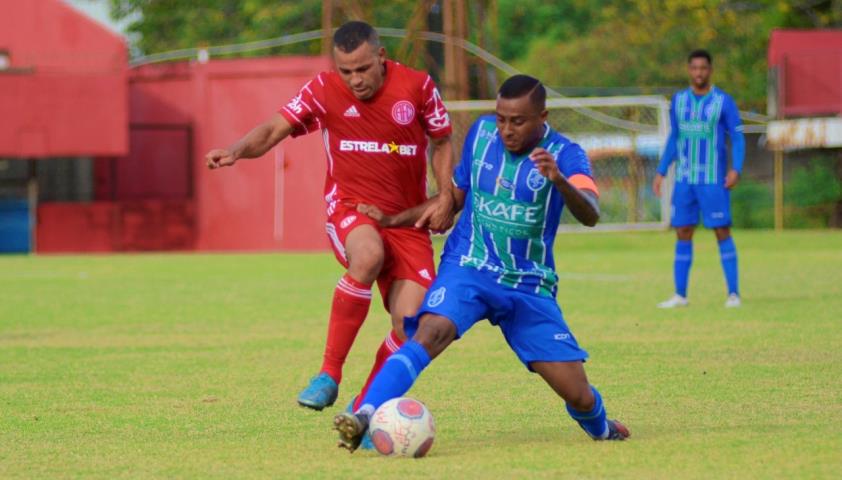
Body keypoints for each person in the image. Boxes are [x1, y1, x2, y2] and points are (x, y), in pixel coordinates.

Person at [333, 74, 630, 452]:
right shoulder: (481, 135)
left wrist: (558, 180)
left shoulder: (566, 154)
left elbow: (590, 213)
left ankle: (602, 427)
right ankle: (364, 415)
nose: (506, 129)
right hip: (469, 266)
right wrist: (396, 220)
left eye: (518, 121)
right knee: (429, 331)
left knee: (579, 394)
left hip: (527, 285)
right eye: (502, 118)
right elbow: (453, 199)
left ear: (543, 116)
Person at [205, 21, 455, 411]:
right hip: (350, 209)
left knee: (411, 327)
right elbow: (274, 129)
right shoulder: (323, 89)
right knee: (368, 255)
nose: (355, 80)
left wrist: (445, 195)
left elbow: (441, 141)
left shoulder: (418, 87)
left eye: (363, 69)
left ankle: (365, 409)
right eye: (347, 71)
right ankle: (328, 374)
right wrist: (236, 150)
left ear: (381, 57)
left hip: (406, 222)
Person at [653, 49, 745, 309]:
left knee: (721, 230)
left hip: (712, 179)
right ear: (689, 70)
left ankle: (733, 294)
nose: (699, 73)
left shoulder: (723, 102)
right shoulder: (679, 101)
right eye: (694, 68)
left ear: (710, 70)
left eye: (703, 68)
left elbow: (737, 138)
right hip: (684, 179)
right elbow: (675, 138)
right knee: (682, 231)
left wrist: (736, 168)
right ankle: (680, 295)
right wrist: (661, 170)